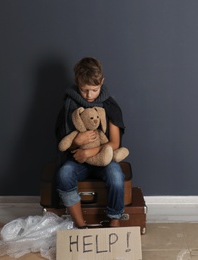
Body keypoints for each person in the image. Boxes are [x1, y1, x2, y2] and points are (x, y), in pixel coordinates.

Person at [55, 57, 126, 228]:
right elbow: (64, 144)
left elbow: (115, 143)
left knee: (116, 176)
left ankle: (114, 221)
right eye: (84, 90)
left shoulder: (109, 105)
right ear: (76, 83)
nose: (89, 95)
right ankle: (81, 225)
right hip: (78, 159)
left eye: (94, 90)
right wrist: (77, 142)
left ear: (102, 82)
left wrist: (88, 152)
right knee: (63, 174)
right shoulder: (69, 104)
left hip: (104, 158)